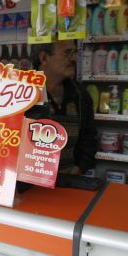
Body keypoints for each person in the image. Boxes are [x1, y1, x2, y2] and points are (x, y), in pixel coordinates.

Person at [31, 40, 97, 175]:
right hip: (29, 183)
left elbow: (89, 137)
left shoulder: (80, 94)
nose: (74, 59)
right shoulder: (20, 92)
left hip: (68, 180)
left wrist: (79, 168)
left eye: (75, 53)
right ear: (44, 58)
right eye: (67, 53)